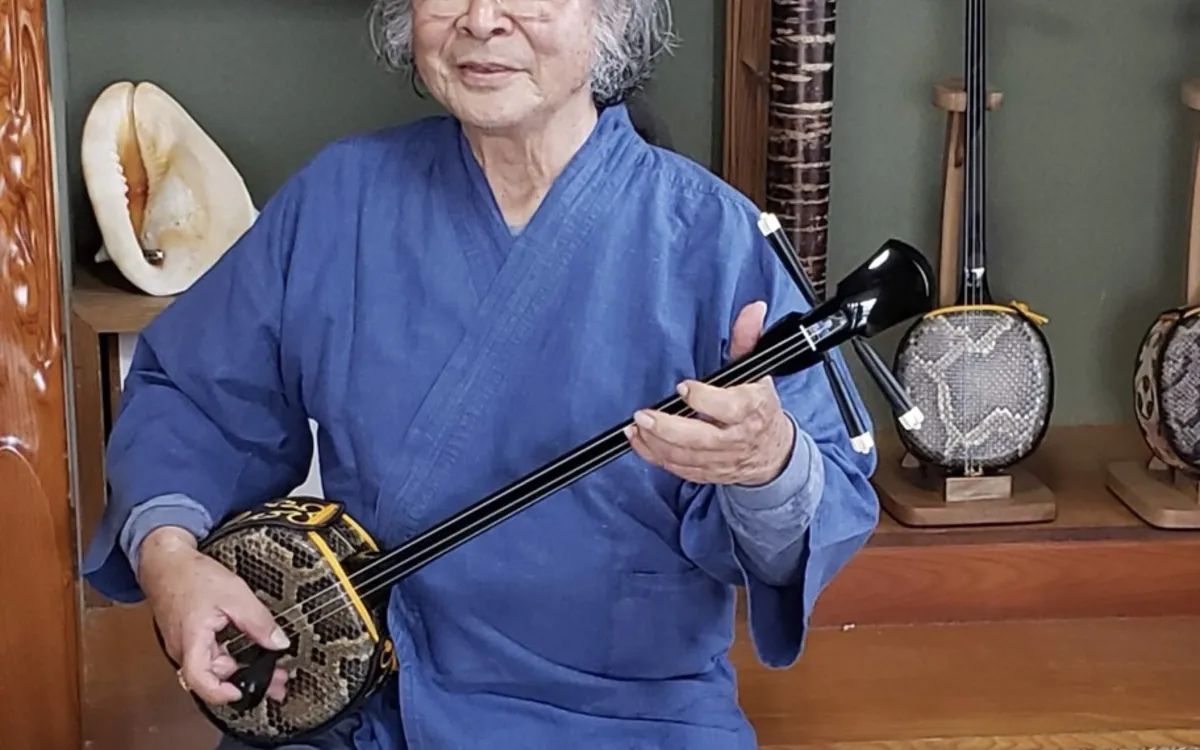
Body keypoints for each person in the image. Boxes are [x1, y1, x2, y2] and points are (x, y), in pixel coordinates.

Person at [81, 1, 880, 748]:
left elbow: (814, 514)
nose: (482, 20)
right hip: (359, 707)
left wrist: (764, 464)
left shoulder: (715, 239)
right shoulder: (341, 197)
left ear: (612, 17)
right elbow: (197, 400)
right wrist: (171, 562)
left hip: (621, 718)